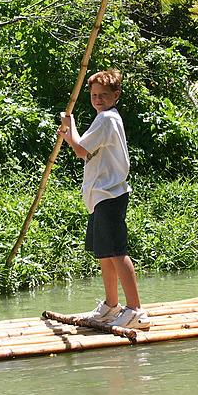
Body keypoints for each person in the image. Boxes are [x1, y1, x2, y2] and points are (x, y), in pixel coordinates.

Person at [58, 69, 150, 329]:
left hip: (109, 194)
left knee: (117, 252)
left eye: (104, 95)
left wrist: (69, 125)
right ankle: (112, 305)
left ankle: (136, 311)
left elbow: (79, 149)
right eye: (94, 95)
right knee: (105, 254)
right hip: (100, 195)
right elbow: (85, 149)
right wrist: (70, 130)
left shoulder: (107, 119)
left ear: (116, 95)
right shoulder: (105, 119)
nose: (98, 99)